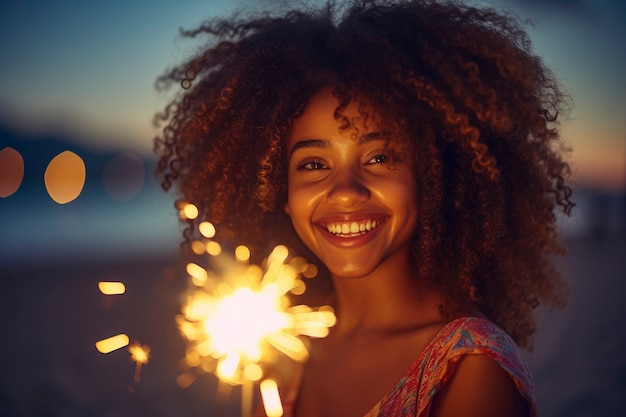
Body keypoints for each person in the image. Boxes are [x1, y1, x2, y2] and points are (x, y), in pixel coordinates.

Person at [154, 1, 574, 416]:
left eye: (379, 157)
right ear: (279, 191)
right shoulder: (284, 351)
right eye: (314, 164)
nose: (346, 191)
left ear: (432, 175)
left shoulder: (471, 369)